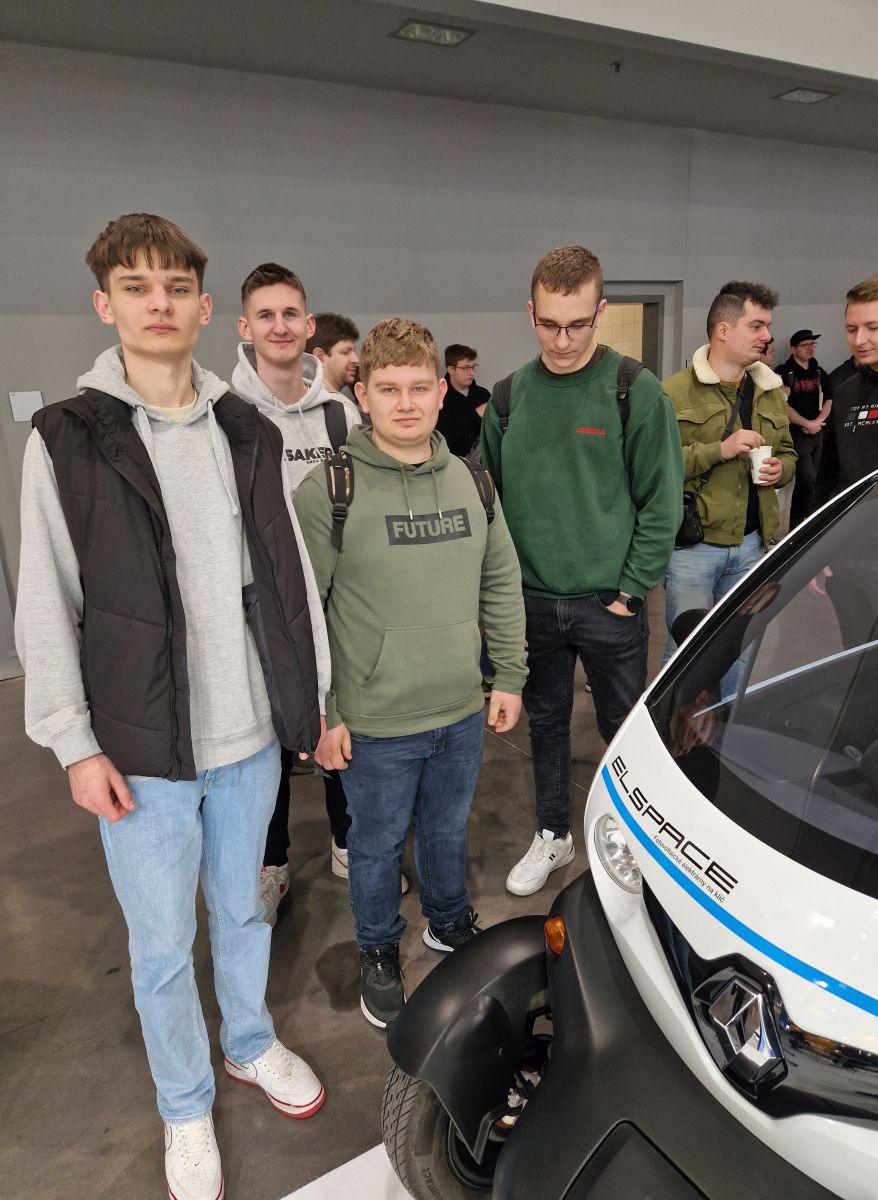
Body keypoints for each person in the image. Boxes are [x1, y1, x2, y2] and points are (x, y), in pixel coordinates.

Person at [15, 215, 329, 1200]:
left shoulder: (246, 428)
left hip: (250, 737)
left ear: (202, 306)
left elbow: (288, 579)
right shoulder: (67, 439)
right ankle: (184, 1104)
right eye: (136, 287)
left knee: (243, 910)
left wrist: (310, 700)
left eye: (176, 287)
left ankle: (248, 1042)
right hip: (141, 751)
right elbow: (46, 600)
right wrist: (72, 743)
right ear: (105, 305)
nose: (159, 303)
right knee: (159, 948)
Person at [294, 318, 527, 1028]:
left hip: (459, 707)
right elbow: (302, 615)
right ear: (361, 394)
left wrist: (509, 675)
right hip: (375, 719)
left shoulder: (472, 481)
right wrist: (325, 713)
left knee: (448, 829)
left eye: (419, 388)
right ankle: (376, 947)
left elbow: (500, 580)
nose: (405, 403)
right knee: (375, 844)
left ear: (440, 392)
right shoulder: (327, 490)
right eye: (388, 389)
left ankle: (449, 921)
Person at [480, 244, 683, 897]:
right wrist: (501, 603)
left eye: (577, 324)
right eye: (548, 324)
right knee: (544, 724)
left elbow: (662, 501)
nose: (562, 340)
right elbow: (489, 507)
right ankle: (553, 833)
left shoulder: (634, 390)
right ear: (530, 313)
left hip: (608, 605)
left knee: (624, 730)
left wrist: (631, 592)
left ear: (600, 311)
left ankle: (636, 841)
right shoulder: (507, 399)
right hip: (532, 606)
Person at [232, 264, 363, 919]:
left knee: (338, 724)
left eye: (290, 314)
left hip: (334, 602)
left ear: (308, 326)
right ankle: (272, 863)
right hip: (260, 608)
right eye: (266, 315)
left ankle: (347, 841)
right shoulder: (226, 416)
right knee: (270, 748)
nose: (279, 326)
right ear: (245, 327)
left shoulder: (341, 416)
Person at [663, 282, 796, 665]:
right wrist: (718, 451)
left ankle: (726, 708)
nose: (767, 336)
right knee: (684, 653)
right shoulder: (672, 392)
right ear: (723, 329)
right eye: (756, 326)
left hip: (753, 545)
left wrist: (780, 469)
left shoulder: (769, 390)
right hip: (693, 549)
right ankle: (678, 709)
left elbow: (789, 454)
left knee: (740, 650)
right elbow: (656, 469)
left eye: (767, 326)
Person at [811, 275, 878, 645]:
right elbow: (828, 477)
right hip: (846, 558)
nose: (859, 339)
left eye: (873, 327)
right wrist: (817, 550)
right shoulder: (845, 392)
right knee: (856, 660)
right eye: (851, 329)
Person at [775, 329, 832, 527]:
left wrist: (818, 422)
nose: (810, 348)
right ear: (793, 349)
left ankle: (802, 525)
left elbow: (829, 398)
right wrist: (807, 424)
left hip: (818, 433)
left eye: (812, 344)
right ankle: (806, 523)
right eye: (804, 345)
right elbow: (782, 405)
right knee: (807, 479)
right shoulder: (784, 372)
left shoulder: (819, 372)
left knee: (813, 480)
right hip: (797, 434)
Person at [436, 343, 490, 455]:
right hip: (452, 460)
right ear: (451, 369)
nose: (471, 373)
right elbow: (443, 438)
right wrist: (476, 414)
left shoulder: (483, 394)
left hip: (483, 461)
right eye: (465, 368)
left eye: (473, 367)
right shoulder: (439, 398)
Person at [308, 311, 360, 401]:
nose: (356, 360)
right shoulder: (339, 406)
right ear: (320, 357)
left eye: (353, 351)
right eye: (345, 352)